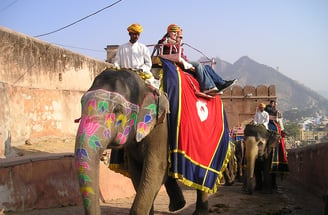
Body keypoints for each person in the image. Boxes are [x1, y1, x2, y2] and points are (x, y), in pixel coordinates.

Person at [159, 25, 236, 96]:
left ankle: (221, 83)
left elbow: (183, 56)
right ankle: (207, 87)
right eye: (174, 32)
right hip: (177, 61)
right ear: (169, 32)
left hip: (183, 60)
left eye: (177, 33)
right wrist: (172, 42)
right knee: (198, 65)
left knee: (207, 67)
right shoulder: (166, 41)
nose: (176, 35)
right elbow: (163, 44)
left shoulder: (177, 44)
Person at [114, 23, 159, 89]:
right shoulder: (122, 48)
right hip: (124, 75)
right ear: (130, 34)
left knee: (153, 89)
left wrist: (141, 69)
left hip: (140, 75)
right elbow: (116, 63)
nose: (137, 36)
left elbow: (148, 64)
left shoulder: (143, 47)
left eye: (138, 34)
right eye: (135, 34)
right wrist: (118, 69)